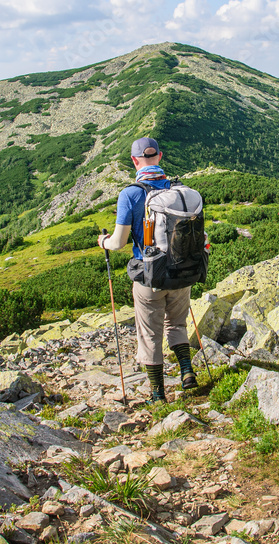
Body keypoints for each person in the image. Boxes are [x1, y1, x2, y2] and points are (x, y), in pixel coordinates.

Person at [97, 137, 197, 403]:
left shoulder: (130, 194)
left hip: (150, 277)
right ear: (160, 156)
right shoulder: (179, 189)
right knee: (176, 323)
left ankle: (157, 394)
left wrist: (103, 242)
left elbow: (118, 242)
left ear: (134, 160)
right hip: (182, 272)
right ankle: (187, 372)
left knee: (150, 334)